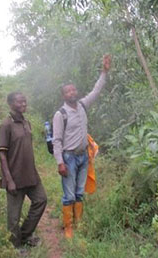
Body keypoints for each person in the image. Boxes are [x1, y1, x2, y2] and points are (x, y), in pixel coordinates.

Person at [52, 54, 112, 238]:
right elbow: (57, 140)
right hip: (68, 158)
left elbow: (96, 90)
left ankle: (79, 224)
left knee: (79, 193)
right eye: (67, 91)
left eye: (73, 90)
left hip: (83, 156)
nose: (71, 93)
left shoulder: (83, 105)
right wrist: (60, 162)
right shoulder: (60, 114)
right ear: (63, 95)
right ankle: (68, 228)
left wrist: (104, 71)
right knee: (69, 195)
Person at [0, 92, 47, 249]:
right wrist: (9, 180)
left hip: (30, 175)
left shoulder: (26, 123)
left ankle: (24, 235)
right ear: (11, 104)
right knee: (13, 216)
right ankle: (16, 246)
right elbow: (2, 155)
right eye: (20, 102)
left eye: (25, 101)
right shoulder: (6, 125)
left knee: (41, 200)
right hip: (14, 177)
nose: (24, 104)